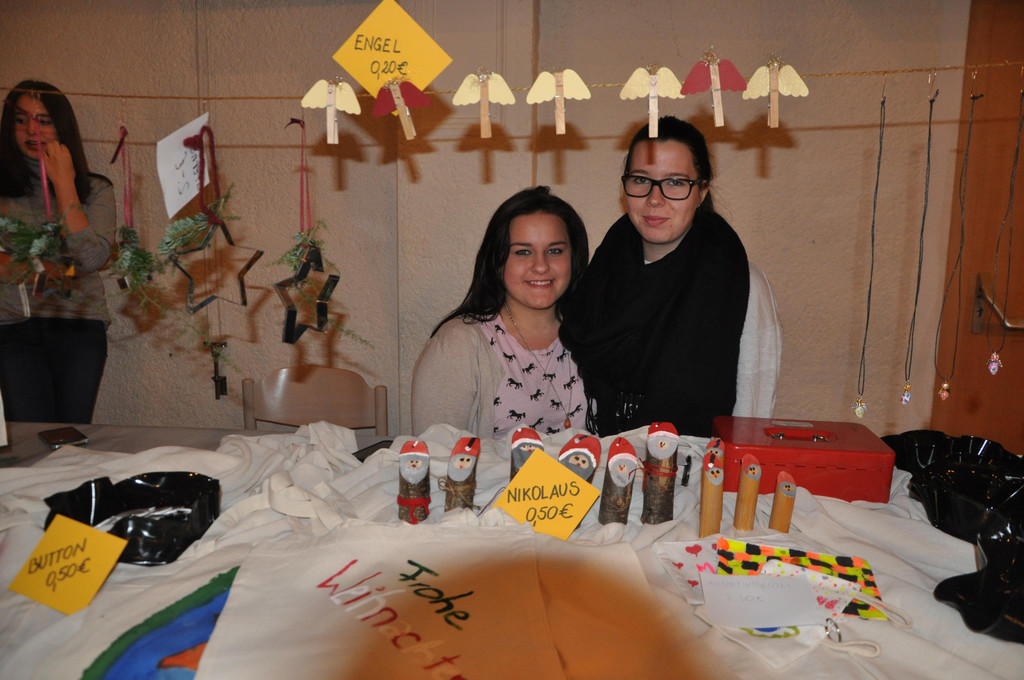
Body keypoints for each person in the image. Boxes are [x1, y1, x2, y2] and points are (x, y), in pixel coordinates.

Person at [560, 116, 781, 438]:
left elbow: (752, 416)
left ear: (701, 191)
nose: (655, 198)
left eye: (675, 182)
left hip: (698, 464)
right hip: (603, 457)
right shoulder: (601, 275)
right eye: (641, 179)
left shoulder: (741, 283)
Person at [412, 186, 590, 439]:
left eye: (555, 251)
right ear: (497, 261)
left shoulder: (596, 334)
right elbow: (436, 452)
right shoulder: (457, 346)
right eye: (523, 252)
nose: (541, 266)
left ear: (574, 258)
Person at [0, 80, 115, 423]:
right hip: (11, 328)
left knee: (70, 437)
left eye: (44, 121)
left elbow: (90, 259)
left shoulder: (95, 189)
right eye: (21, 120)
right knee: (29, 437)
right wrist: (54, 269)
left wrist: (64, 183)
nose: (32, 130)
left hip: (79, 326)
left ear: (62, 127)